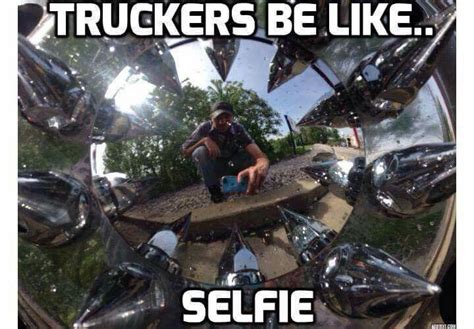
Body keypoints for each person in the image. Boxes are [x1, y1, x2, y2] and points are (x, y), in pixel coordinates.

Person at [181, 101, 270, 203]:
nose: (222, 122)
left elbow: (258, 154)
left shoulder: (237, 128)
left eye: (226, 117)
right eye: (218, 118)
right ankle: (215, 192)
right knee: (199, 152)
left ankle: (247, 180)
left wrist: (263, 163)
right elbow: (184, 151)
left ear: (232, 117)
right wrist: (203, 140)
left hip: (235, 162)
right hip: (216, 166)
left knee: (251, 159)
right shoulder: (204, 128)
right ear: (211, 118)